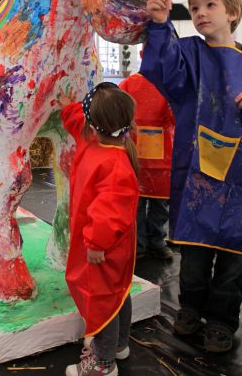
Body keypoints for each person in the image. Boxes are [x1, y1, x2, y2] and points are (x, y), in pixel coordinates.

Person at [141, 0, 242, 353]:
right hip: (198, 175)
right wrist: (159, 24)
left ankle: (221, 321)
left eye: (210, 5)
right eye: (194, 9)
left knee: (233, 263)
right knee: (194, 256)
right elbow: (162, 67)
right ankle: (190, 308)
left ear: (232, 13)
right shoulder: (189, 53)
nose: (201, 13)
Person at [59, 82, 139, 376]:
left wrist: (95, 244)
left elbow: (109, 215)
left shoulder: (113, 163)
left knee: (103, 299)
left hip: (103, 248)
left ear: (95, 127)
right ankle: (119, 345)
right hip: (110, 247)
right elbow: (78, 120)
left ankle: (104, 365)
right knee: (118, 292)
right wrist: (68, 107)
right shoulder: (96, 140)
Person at [120, 69, 175, 260]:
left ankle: (157, 241)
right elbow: (119, 112)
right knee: (137, 202)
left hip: (164, 156)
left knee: (160, 204)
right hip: (135, 154)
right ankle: (139, 244)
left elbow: (182, 115)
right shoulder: (129, 84)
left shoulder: (172, 83)